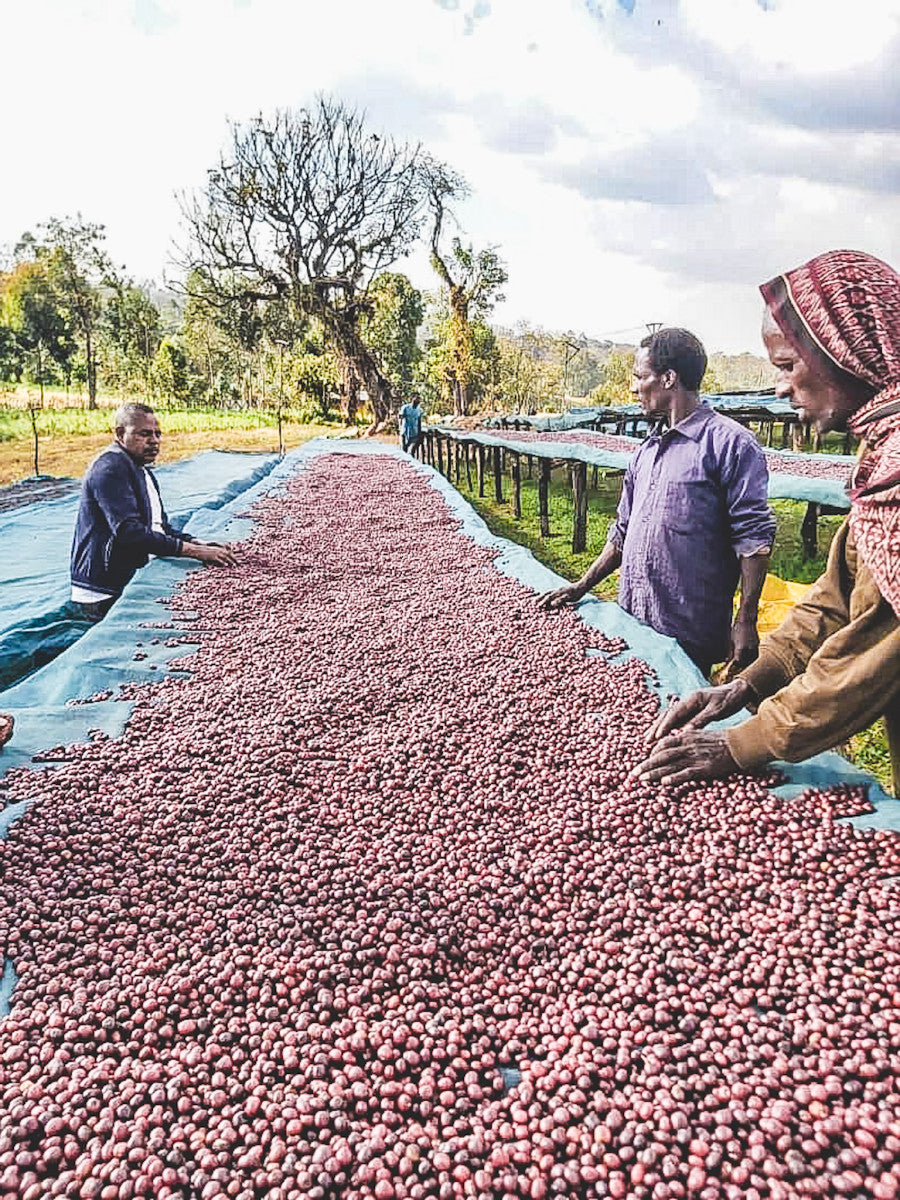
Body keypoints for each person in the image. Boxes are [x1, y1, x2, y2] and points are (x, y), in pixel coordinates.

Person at [637, 250, 900, 793]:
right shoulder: (881, 464)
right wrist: (746, 686)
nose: (780, 389)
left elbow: (869, 653)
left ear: (846, 353)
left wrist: (740, 744)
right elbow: (837, 598)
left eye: (788, 366)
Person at [538, 328, 775, 677]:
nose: (634, 388)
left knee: (682, 707)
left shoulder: (730, 444)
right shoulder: (646, 451)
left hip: (689, 626)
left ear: (668, 378)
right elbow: (622, 534)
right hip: (634, 614)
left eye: (640, 377)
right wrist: (581, 585)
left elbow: (754, 541)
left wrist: (746, 621)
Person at [70, 403, 235, 616]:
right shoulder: (110, 468)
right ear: (120, 433)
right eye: (144, 434)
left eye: (158, 434)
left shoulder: (141, 470)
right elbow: (129, 532)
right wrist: (195, 552)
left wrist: (197, 542)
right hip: (104, 589)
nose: (154, 441)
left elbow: (160, 526)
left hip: (128, 575)